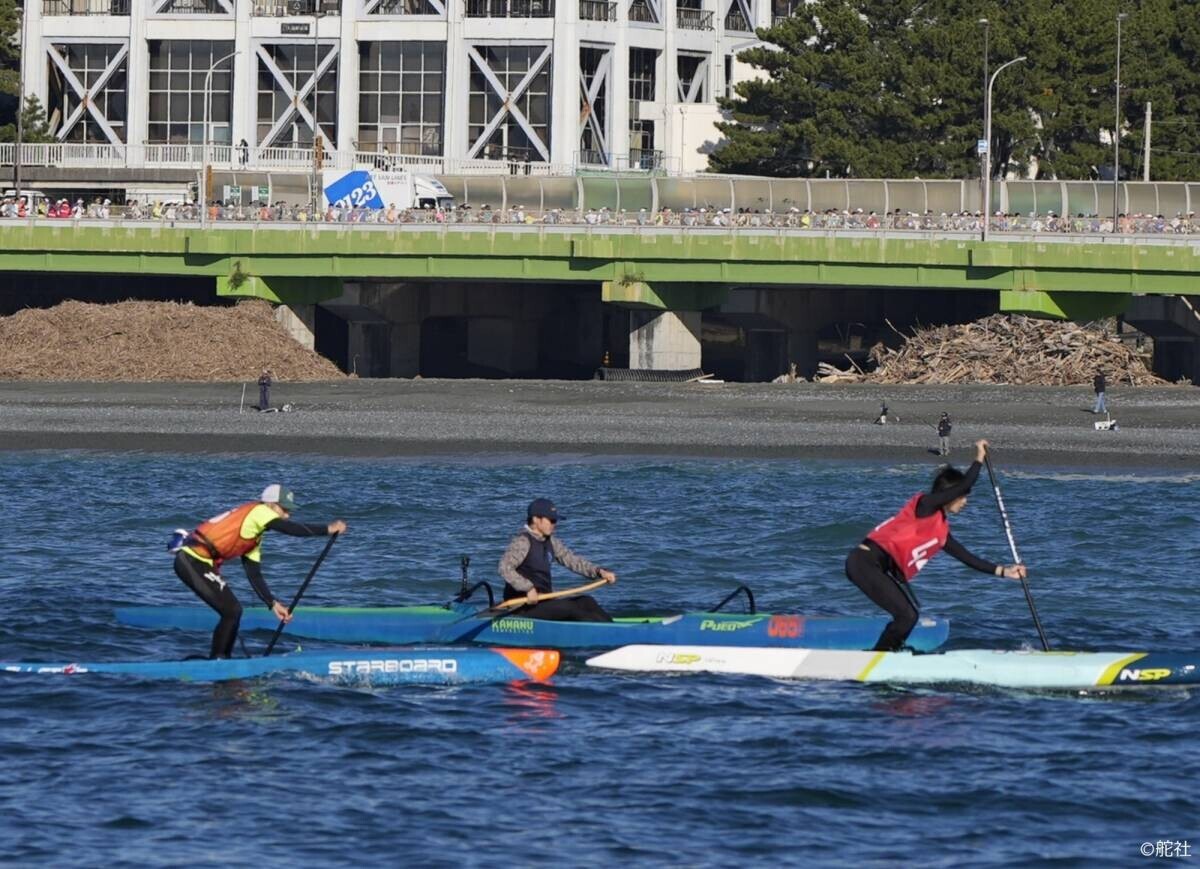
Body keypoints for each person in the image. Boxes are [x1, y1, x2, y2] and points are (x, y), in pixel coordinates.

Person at [844, 440, 1027, 652]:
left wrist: (1005, 571)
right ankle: (879, 657)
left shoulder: (940, 531)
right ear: (949, 495)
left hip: (874, 567)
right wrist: (979, 457)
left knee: (908, 615)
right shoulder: (925, 505)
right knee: (907, 615)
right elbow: (965, 484)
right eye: (962, 497)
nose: (965, 501)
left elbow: (967, 558)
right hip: (864, 562)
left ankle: (889, 651)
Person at [172, 485, 347, 658]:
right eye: (284, 509)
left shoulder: (254, 536)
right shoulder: (259, 510)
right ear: (270, 504)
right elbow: (291, 529)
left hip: (199, 563)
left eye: (289, 511)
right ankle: (218, 661)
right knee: (232, 611)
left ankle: (221, 660)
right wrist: (328, 529)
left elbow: (253, 573)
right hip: (191, 560)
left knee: (232, 611)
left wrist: (272, 603)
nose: (287, 515)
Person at [497, 498, 617, 622]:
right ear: (536, 520)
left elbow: (572, 560)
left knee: (586, 601)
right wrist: (528, 588)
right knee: (568, 608)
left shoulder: (550, 541)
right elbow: (504, 567)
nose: (555, 524)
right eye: (551, 520)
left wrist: (599, 571)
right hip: (522, 607)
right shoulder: (522, 542)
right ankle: (607, 633)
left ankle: (614, 628)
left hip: (544, 602)